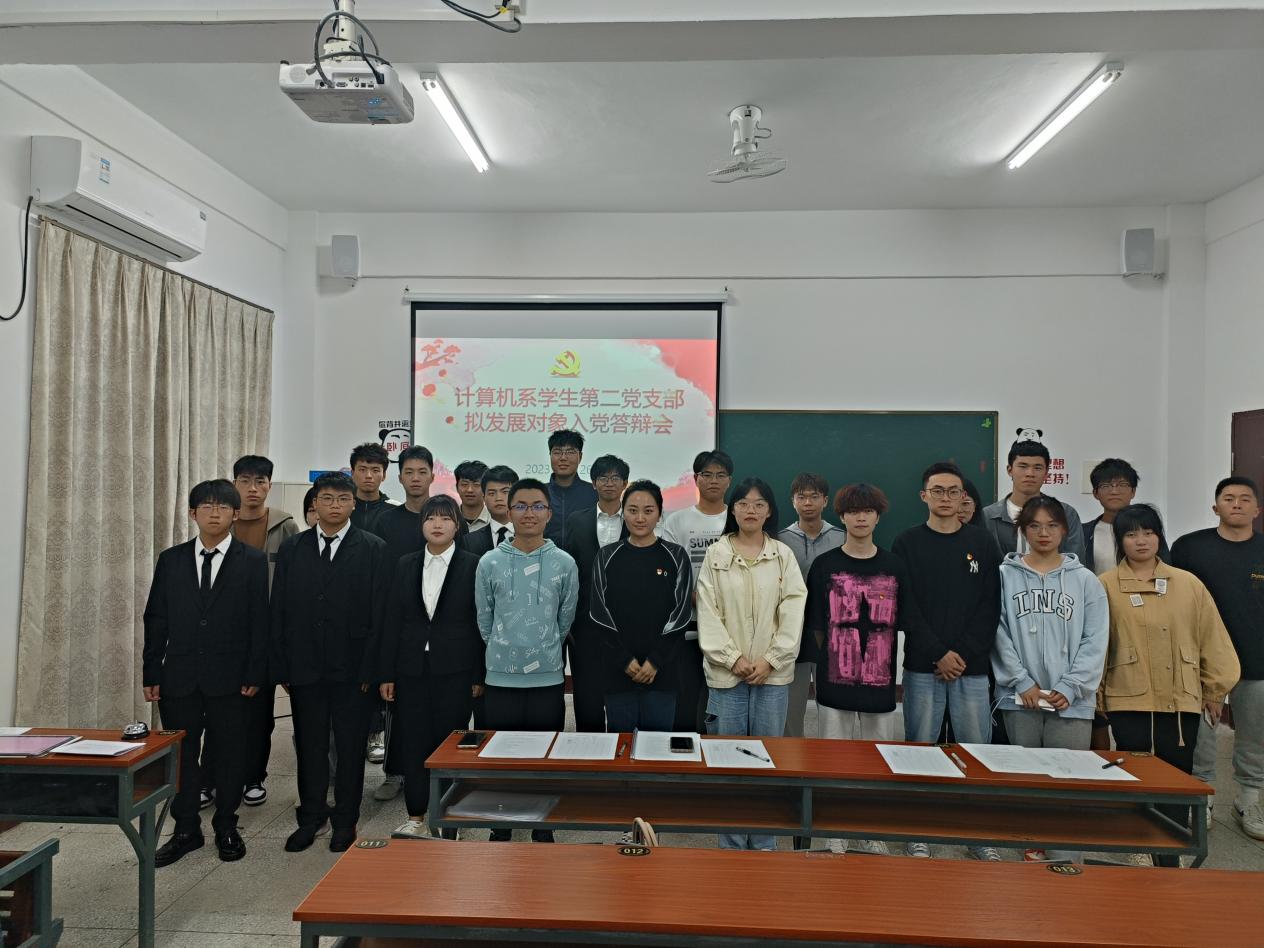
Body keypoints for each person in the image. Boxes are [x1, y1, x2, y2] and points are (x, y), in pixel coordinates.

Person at [1100, 503, 1240, 866]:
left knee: (1177, 776)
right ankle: (1137, 847)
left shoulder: (1188, 584)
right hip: (1128, 697)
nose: (1141, 540)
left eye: (1148, 532)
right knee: (1134, 774)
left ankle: (1171, 853)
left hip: (1181, 700)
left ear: (1159, 537)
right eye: (1131, 534)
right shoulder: (1105, 586)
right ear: (1120, 540)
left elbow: (1212, 638)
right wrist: (1097, 694)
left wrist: (1214, 690)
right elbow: (1096, 645)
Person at [143, 479, 268, 866]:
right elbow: (156, 617)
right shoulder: (172, 559)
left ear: (235, 514)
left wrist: (255, 672)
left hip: (232, 677)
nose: (215, 513)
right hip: (179, 675)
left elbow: (259, 621)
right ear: (192, 513)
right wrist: (152, 671)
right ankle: (185, 830)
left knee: (230, 753)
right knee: (182, 755)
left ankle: (226, 825)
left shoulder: (252, 560)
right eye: (207, 507)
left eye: (223, 507)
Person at [271, 472, 387, 853]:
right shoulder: (294, 548)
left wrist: (371, 669)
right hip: (304, 667)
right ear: (314, 504)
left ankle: (345, 820)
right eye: (326, 498)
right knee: (310, 745)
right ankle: (311, 817)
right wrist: (283, 665)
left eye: (342, 499)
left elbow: (380, 615)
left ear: (353, 503)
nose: (334, 505)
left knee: (351, 748)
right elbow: (279, 608)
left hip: (353, 670)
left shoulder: (373, 548)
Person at [892, 461, 1002, 861]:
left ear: (963, 498)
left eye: (953, 491)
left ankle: (979, 836)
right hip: (924, 666)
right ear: (924, 496)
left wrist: (962, 654)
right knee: (919, 752)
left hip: (971, 668)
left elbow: (990, 606)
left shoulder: (983, 542)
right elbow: (906, 607)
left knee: (975, 754)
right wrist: (939, 653)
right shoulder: (906, 543)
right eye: (937, 491)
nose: (945, 498)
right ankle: (918, 832)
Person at [993, 496, 1108, 863]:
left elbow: (1095, 638)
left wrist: (1070, 686)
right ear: (1022, 530)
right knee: (1026, 778)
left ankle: (1066, 858)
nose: (1043, 533)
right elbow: (997, 631)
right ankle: (1031, 847)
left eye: (1052, 525)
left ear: (1064, 530)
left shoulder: (1085, 580)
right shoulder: (1004, 576)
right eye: (1035, 526)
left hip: (1070, 700)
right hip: (1020, 697)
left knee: (1068, 779)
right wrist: (1020, 681)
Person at [805, 483, 919, 855]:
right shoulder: (825, 566)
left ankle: (871, 830)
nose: (860, 518)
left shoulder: (895, 566)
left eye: (868, 511)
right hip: (834, 680)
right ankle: (835, 829)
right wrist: (838, 657)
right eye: (853, 511)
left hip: (879, 681)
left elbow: (904, 622)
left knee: (877, 761)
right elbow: (816, 625)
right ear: (841, 517)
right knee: (833, 761)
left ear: (878, 517)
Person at [696, 477, 806, 851]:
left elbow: (793, 610)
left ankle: (763, 845)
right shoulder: (716, 555)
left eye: (759, 504)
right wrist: (733, 659)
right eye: (743, 503)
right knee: (727, 764)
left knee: (767, 762)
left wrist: (771, 660)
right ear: (733, 509)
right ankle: (730, 847)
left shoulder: (782, 555)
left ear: (770, 511)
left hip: (771, 678)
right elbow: (707, 612)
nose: (751, 510)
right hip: (727, 677)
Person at [475, 477, 578, 842]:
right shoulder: (489, 562)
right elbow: (484, 619)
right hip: (500, 676)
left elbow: (565, 619)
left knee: (544, 754)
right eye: (520, 505)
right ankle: (500, 823)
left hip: (547, 676)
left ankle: (542, 824)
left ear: (549, 513)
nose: (528, 513)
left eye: (537, 506)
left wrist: (543, 648)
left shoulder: (565, 563)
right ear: (509, 511)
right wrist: (503, 650)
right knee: (501, 754)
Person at [379, 495, 484, 839]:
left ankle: (449, 818)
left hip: (455, 669)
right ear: (421, 524)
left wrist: (478, 674)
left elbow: (480, 623)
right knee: (413, 742)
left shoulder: (473, 564)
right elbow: (392, 620)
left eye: (445, 518)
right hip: (411, 669)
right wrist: (387, 673)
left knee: (451, 743)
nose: (437, 524)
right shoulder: (405, 564)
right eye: (430, 518)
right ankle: (416, 816)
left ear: (458, 525)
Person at [1173, 477, 1264, 840]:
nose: (1236, 504)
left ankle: (1249, 800)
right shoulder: (1189, 548)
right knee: (1202, 736)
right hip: (1201, 662)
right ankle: (1202, 798)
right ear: (1215, 507)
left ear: (1257, 509)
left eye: (1244, 499)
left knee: (1255, 735)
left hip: (1256, 662)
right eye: (1228, 498)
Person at [217, 455, 299, 810]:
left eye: (261, 481)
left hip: (267, 632)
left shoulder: (285, 525)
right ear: (235, 483)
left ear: (269, 485)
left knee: (260, 712)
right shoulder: (222, 522)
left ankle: (254, 776)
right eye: (246, 481)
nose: (253, 488)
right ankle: (214, 777)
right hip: (225, 633)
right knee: (220, 710)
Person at [589, 480, 692, 732]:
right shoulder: (606, 556)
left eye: (648, 510)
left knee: (658, 747)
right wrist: (624, 660)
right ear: (623, 513)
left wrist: (655, 661)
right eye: (633, 510)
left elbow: (681, 615)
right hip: (618, 672)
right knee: (621, 746)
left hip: (663, 672)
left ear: (659, 514)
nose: (640, 518)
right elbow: (599, 614)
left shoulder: (676, 555)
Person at [367, 445, 437, 803]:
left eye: (422, 472)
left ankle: (431, 774)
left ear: (432, 476)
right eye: (409, 472)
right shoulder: (387, 521)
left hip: (436, 626)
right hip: (400, 622)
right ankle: (395, 772)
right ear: (399, 477)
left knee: (432, 707)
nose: (415, 478)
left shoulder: (442, 516)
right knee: (398, 706)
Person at [660, 450, 734, 731]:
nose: (714, 480)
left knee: (723, 696)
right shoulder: (677, 521)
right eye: (707, 474)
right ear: (696, 479)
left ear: (729, 480)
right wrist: (693, 597)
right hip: (688, 623)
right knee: (686, 695)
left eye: (720, 475)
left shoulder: (737, 518)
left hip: (730, 625)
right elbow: (668, 571)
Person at [563, 454, 631, 733]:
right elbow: (570, 571)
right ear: (593, 483)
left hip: (627, 624)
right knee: (587, 694)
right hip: (585, 624)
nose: (609, 483)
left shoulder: (636, 519)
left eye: (615, 478)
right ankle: (588, 749)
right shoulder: (577, 521)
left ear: (625, 483)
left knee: (623, 694)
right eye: (603, 477)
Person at [777, 472, 845, 739]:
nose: (808, 502)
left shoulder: (841, 537)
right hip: (792, 629)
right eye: (801, 497)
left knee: (832, 706)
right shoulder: (780, 540)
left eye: (814, 497)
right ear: (792, 501)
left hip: (831, 630)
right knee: (791, 705)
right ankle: (792, 755)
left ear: (825, 500)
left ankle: (832, 756)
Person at [982, 439, 1085, 561]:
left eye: (1037, 468)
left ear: (1046, 473)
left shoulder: (1066, 513)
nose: (1030, 473)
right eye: (1023, 466)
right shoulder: (987, 516)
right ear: (1010, 470)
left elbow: (1075, 563)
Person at [1083, 458, 1169, 576]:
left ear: (1133, 491)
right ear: (1095, 493)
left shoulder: (1149, 530)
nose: (1114, 491)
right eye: (1106, 485)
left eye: (1122, 485)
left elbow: (1164, 568)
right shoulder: (1084, 532)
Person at [542, 428, 598, 548]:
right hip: (544, 558)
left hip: (583, 559)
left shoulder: (594, 494)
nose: (563, 458)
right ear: (550, 455)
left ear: (580, 457)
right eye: (557, 452)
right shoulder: (538, 493)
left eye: (570, 452)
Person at [462, 465, 518, 556]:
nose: (498, 498)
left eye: (505, 492)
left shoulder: (533, 536)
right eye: (492, 493)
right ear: (484, 498)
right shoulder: (469, 541)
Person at [349, 442, 394, 530]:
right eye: (362, 470)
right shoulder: (343, 507)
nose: (368, 476)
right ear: (352, 473)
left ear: (384, 475)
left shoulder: (395, 509)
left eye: (375, 470)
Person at [454, 460, 491, 531]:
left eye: (476, 484)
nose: (469, 490)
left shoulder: (494, 520)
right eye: (464, 484)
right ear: (457, 487)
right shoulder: (449, 519)